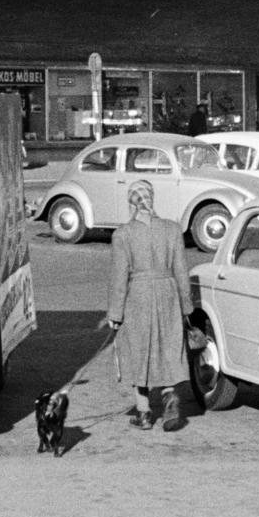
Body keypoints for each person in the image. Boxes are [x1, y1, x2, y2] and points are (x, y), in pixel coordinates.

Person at [106, 180, 194, 431]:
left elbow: (119, 277)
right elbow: (181, 271)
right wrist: (186, 306)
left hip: (139, 296)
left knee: (139, 350)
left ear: (132, 203)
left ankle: (144, 413)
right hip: (167, 293)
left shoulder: (123, 234)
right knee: (167, 345)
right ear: (151, 199)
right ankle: (168, 395)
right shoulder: (172, 229)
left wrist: (115, 313)